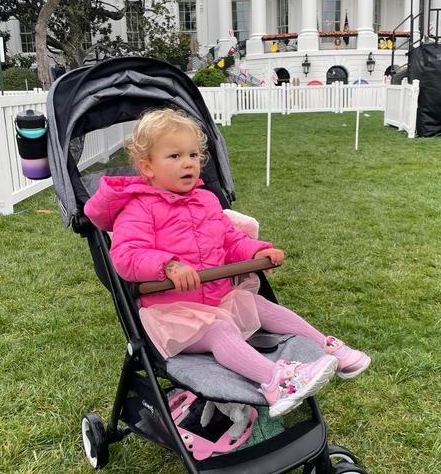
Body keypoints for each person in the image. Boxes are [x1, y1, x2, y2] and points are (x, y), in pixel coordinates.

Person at [84, 109, 371, 418]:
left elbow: (230, 241)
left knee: (257, 304)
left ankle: (329, 348)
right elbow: (126, 255)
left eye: (193, 154)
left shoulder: (206, 201)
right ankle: (276, 382)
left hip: (217, 300)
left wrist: (256, 253)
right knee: (219, 329)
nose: (188, 162)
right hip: (175, 315)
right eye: (175, 156)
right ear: (147, 167)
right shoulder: (138, 209)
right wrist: (168, 266)